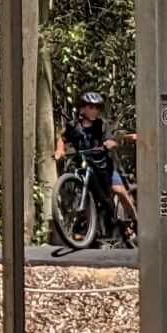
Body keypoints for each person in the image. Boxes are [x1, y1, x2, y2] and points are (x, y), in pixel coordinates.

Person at [59, 90, 130, 246]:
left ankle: (136, 221)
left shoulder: (101, 125)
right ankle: (83, 229)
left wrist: (111, 144)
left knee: (120, 192)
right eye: (91, 107)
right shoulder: (73, 126)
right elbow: (62, 138)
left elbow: (112, 140)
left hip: (105, 167)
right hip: (86, 167)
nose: (95, 110)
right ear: (82, 108)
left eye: (97, 107)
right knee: (80, 195)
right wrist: (60, 150)